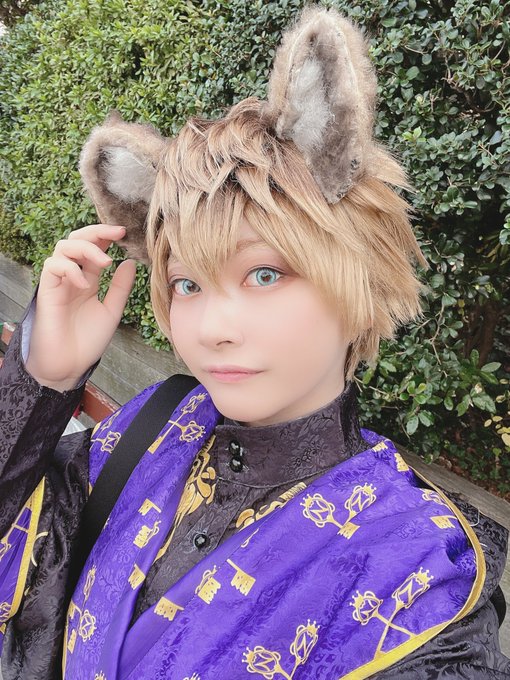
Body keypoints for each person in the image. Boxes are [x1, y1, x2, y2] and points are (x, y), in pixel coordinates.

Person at [0, 6, 508, 679]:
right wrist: (45, 377)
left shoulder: (417, 571)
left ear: (359, 277)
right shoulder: (148, 429)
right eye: (186, 284)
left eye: (265, 274)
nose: (212, 328)